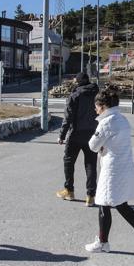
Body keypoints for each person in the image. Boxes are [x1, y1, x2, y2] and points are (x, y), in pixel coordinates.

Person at [84, 85, 134, 254]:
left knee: (103, 203)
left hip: (111, 169)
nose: (95, 110)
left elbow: (92, 146)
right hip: (125, 167)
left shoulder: (105, 123)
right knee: (122, 205)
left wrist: (102, 147)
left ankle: (103, 243)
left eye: (96, 107)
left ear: (102, 106)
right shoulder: (122, 119)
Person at [56, 72, 99, 206]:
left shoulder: (75, 95)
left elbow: (68, 117)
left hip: (76, 134)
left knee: (69, 162)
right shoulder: (97, 94)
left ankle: (69, 191)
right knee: (91, 164)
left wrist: (62, 135)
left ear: (78, 81)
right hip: (92, 134)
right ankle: (91, 196)